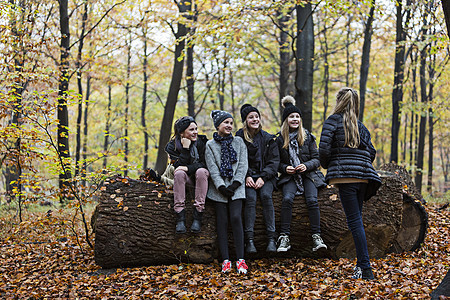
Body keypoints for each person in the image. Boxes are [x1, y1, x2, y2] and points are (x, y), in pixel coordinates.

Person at [319, 87, 381, 280]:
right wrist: (359, 163)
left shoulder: (332, 122)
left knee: (355, 223)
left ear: (339, 101)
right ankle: (361, 267)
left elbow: (323, 150)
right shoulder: (361, 126)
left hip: (345, 178)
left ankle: (366, 269)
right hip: (364, 177)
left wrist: (330, 165)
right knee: (357, 222)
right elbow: (371, 152)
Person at [275, 96, 328, 253]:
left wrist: (306, 165)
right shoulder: (279, 139)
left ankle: (317, 237)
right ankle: (284, 237)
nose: (295, 119)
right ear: (286, 120)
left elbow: (317, 159)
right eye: (292, 117)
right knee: (287, 199)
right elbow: (275, 163)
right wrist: (285, 169)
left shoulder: (308, 136)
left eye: (297, 116)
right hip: (289, 177)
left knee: (312, 200)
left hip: (308, 175)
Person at [205, 110, 248, 274]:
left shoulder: (239, 142)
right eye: (226, 123)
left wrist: (235, 184)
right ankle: (226, 260)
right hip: (218, 190)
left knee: (236, 218)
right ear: (218, 126)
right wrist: (222, 187)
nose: (229, 125)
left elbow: (243, 165)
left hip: (237, 188)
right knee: (221, 222)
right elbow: (213, 169)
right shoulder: (210, 145)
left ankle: (241, 260)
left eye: (231, 122)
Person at [236, 104, 279, 253]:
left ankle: (272, 239)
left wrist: (263, 177)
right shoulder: (239, 138)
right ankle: (250, 240)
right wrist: (247, 175)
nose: (255, 119)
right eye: (251, 117)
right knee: (251, 199)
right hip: (246, 177)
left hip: (266, 177)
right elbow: (238, 160)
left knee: (266, 196)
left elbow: (274, 163)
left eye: (256, 116)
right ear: (245, 121)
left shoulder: (268, 138)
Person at [165, 116, 209, 234]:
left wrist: (188, 168)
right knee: (179, 173)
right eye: (191, 130)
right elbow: (177, 167)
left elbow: (205, 164)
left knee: (201, 171)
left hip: (201, 180)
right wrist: (185, 148)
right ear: (182, 132)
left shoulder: (202, 142)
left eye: (196, 129)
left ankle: (198, 215)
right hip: (185, 181)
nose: (195, 132)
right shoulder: (172, 146)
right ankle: (180, 216)